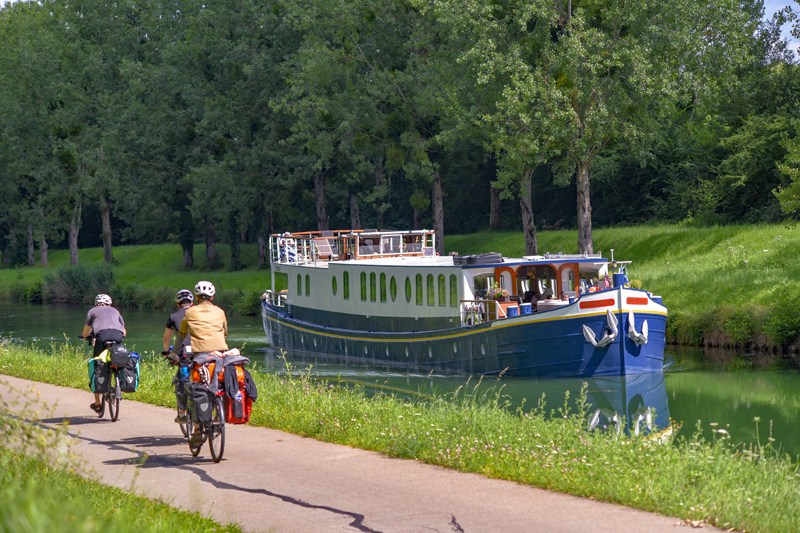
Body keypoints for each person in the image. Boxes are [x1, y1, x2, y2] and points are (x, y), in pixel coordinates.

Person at [176, 281, 228, 444]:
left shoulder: (190, 312)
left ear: (196, 297)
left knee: (195, 389)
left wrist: (173, 353)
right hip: (219, 355)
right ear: (212, 296)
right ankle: (220, 413)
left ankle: (197, 429)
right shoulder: (220, 311)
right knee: (221, 383)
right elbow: (225, 331)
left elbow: (182, 334)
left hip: (200, 356)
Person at [81, 293, 126, 414]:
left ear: (96, 303)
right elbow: (124, 332)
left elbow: (85, 333)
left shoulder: (92, 311)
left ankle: (97, 404)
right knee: (116, 358)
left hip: (101, 337)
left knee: (97, 364)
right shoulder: (116, 311)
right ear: (110, 303)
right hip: (117, 336)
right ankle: (118, 383)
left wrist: (88, 336)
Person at [162, 289, 194, 423]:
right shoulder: (198, 314)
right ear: (192, 303)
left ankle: (182, 413)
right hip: (203, 350)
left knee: (182, 380)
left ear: (178, 304)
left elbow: (166, 339)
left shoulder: (173, 316)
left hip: (184, 352)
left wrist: (167, 353)